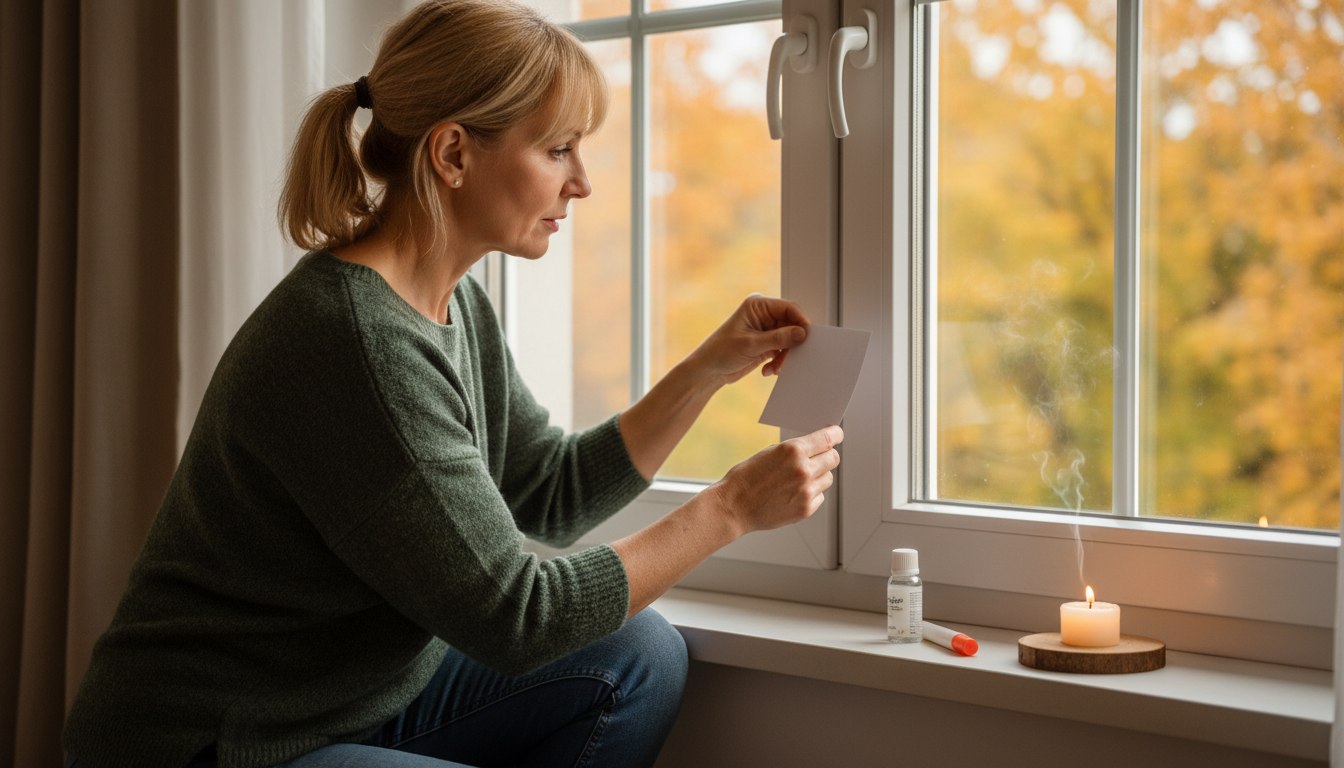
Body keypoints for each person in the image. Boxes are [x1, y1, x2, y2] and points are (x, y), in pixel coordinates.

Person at [62, 1, 842, 767]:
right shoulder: (356, 341)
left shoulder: (448, 297)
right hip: (221, 740)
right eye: (559, 149)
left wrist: (707, 369)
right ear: (454, 154)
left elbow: (549, 489)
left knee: (638, 654)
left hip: (348, 698)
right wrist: (731, 508)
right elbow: (521, 619)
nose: (582, 183)